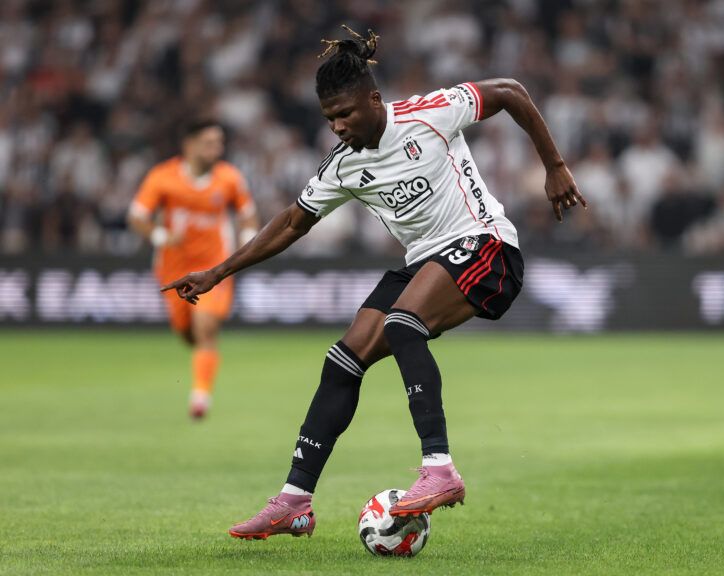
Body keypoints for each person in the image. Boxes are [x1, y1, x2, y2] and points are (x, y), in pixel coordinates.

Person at [162, 27, 585, 539]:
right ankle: (294, 502)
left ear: (374, 99)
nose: (338, 126)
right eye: (329, 118)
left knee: (403, 323)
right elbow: (293, 223)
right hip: (426, 261)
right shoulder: (343, 166)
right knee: (342, 360)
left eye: (345, 113)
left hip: (486, 246)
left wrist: (555, 167)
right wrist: (217, 271)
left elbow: (511, 92)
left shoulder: (428, 114)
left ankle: (440, 469)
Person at [128, 119, 260, 419]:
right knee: (187, 333)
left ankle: (200, 397)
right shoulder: (162, 177)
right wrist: (159, 235)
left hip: (214, 268)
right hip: (173, 270)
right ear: (189, 144)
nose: (217, 149)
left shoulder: (229, 178)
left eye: (220, 143)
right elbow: (137, 216)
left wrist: (246, 239)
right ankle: (204, 358)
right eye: (210, 143)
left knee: (205, 326)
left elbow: (248, 214)